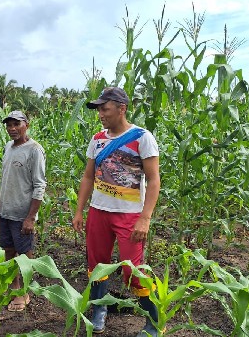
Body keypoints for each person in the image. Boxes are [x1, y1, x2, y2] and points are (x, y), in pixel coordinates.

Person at [72, 87, 161, 337]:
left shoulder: (142, 137)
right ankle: (100, 310)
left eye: (105, 109)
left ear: (122, 108)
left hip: (129, 215)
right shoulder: (98, 138)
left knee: (133, 271)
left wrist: (145, 218)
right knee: (97, 266)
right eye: (99, 109)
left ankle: (154, 322)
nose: (100, 114)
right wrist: (79, 211)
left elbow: (154, 181)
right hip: (99, 212)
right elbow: (88, 176)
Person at [0, 110, 46, 312]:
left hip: (22, 215)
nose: (12, 129)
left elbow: (39, 186)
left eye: (17, 124)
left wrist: (31, 218)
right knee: (8, 251)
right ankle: (13, 287)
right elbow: (5, 179)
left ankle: (24, 292)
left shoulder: (34, 150)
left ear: (27, 125)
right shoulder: (8, 147)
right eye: (9, 125)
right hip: (5, 212)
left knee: (24, 254)